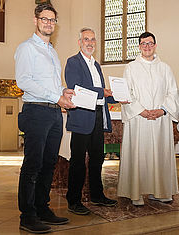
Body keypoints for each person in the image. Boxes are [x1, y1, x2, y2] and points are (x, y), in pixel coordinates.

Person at [15, 4, 75, 233]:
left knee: (49, 163)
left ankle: (42, 208)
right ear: (35, 20)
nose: (49, 23)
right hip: (36, 111)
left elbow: (50, 84)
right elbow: (25, 82)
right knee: (33, 165)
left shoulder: (51, 51)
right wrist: (55, 96)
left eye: (52, 20)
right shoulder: (26, 48)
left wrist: (63, 91)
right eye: (45, 19)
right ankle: (27, 215)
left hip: (53, 112)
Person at [117, 32, 179, 206]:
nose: (147, 46)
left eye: (150, 43)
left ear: (155, 45)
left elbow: (173, 93)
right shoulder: (131, 68)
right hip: (139, 119)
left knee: (159, 155)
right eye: (143, 43)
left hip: (160, 120)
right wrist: (141, 111)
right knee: (139, 154)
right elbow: (126, 93)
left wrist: (162, 110)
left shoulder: (165, 68)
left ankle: (160, 191)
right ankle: (136, 193)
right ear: (139, 46)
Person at [65, 28, 117, 215]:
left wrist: (116, 96)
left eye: (93, 39)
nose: (90, 43)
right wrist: (101, 91)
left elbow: (101, 94)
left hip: (97, 116)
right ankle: (74, 200)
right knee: (78, 161)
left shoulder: (97, 65)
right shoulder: (73, 62)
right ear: (79, 42)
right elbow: (76, 87)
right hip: (81, 116)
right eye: (86, 39)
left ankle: (97, 195)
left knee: (97, 158)